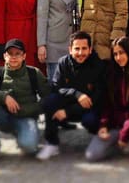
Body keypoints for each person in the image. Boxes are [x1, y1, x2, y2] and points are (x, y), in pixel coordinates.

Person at [0, 39, 50, 163]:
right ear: (5, 56)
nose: (14, 57)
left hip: (25, 117)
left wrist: (28, 110)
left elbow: (48, 98)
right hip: (3, 117)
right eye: (10, 53)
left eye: (18, 53)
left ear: (24, 56)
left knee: (29, 147)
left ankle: (23, 134)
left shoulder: (34, 73)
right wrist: (3, 97)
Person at [37, 31, 107, 161]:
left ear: (90, 49)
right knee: (49, 102)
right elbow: (56, 88)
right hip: (68, 103)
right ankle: (52, 143)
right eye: (77, 49)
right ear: (70, 49)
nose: (80, 53)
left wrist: (67, 112)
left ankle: (100, 139)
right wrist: (76, 94)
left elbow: (97, 98)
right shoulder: (63, 63)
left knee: (90, 120)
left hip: (89, 109)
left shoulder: (98, 65)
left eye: (84, 48)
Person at [37, 0, 79, 80]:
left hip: (71, 37)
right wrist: (41, 44)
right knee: (55, 80)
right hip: (53, 39)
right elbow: (42, 16)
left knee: (71, 79)